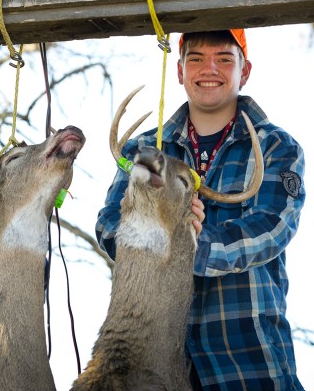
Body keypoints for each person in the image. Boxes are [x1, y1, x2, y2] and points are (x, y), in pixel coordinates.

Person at [96, 29, 305, 390]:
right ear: (179, 71)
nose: (209, 68)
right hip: (150, 363)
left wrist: (195, 244)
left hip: (247, 362)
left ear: (246, 70)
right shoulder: (143, 149)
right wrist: (156, 228)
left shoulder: (277, 147)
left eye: (224, 58)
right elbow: (109, 224)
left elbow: (272, 227)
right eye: (195, 58)